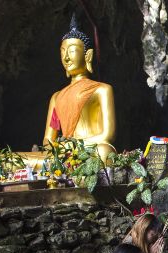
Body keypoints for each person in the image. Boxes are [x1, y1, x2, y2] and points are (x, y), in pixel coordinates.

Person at [43, 14, 116, 163]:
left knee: (104, 152)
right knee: (12, 159)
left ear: (88, 55)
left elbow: (108, 135)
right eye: (62, 51)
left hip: (91, 151)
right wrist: (62, 148)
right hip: (63, 155)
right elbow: (48, 141)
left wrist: (75, 145)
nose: (66, 57)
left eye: (71, 50)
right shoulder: (57, 97)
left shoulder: (101, 90)